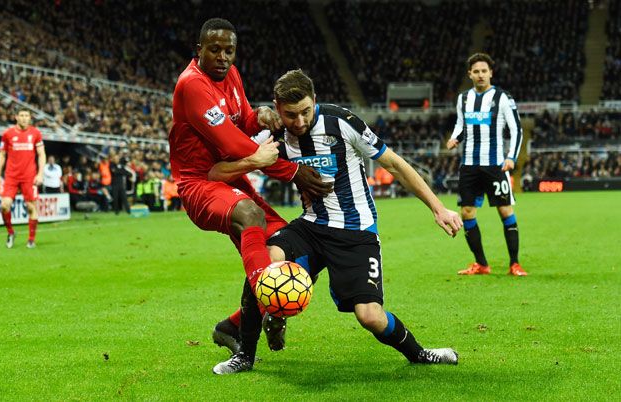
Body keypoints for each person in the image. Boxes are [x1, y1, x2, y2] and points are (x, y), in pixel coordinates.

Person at [210, 69, 463, 374]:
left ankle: (420, 353)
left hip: (356, 231)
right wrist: (252, 160)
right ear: (277, 109)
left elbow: (394, 164)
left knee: (370, 316)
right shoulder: (273, 135)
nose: (300, 121)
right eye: (291, 115)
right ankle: (245, 356)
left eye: (306, 111)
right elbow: (216, 172)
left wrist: (438, 208)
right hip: (311, 226)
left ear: (315, 100)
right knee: (263, 266)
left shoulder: (342, 122)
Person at [169, 18, 330, 322]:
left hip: (232, 176)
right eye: (215, 49)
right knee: (250, 214)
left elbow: (242, 120)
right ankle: (269, 304)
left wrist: (261, 115)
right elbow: (234, 144)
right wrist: (292, 172)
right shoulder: (192, 84)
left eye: (229, 50)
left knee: (295, 250)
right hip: (200, 183)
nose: (223, 57)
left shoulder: (230, 75)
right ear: (199, 49)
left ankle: (233, 326)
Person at [446, 53, 527, 276]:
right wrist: (455, 138)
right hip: (469, 166)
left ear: (491, 73)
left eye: (484, 71)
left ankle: (515, 263)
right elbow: (461, 126)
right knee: (467, 212)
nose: (481, 75)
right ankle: (481, 264)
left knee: (504, 209)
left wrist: (511, 157)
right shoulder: (463, 99)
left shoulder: (502, 98)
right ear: (469, 74)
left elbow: (517, 129)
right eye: (476, 71)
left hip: (496, 165)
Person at [0, 108, 46, 249]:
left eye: (27, 116)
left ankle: (31, 240)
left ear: (30, 118)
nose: (24, 118)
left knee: (31, 207)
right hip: (11, 176)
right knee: (4, 206)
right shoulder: (8, 134)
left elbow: (41, 154)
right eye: (21, 115)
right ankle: (11, 233)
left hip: (29, 177)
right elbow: (2, 154)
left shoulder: (35, 133)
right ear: (16, 117)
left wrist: (40, 174)